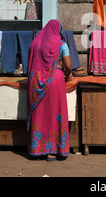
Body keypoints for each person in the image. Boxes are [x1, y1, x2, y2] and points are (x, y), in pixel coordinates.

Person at [27, 19, 72, 161]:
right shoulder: (61, 45)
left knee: (40, 114)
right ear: (58, 31)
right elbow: (68, 66)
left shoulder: (35, 44)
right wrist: (69, 76)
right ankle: (53, 151)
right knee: (55, 112)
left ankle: (37, 148)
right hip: (55, 80)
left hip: (35, 81)